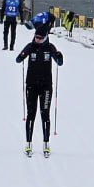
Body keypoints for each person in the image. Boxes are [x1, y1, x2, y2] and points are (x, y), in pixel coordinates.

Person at [15, 14, 63, 158]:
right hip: (31, 85)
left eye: (40, 38)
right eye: (36, 37)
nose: (37, 40)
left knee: (45, 114)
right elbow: (18, 59)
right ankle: (28, 143)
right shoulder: (31, 46)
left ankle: (46, 144)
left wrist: (59, 56)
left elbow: (59, 62)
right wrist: (23, 54)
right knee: (31, 114)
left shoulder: (50, 47)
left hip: (46, 86)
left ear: (46, 38)